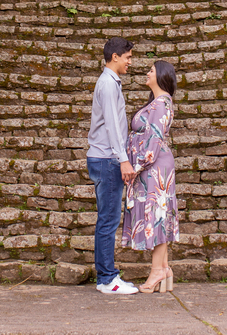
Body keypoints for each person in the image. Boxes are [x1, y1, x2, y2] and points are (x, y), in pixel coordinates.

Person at [86, 36, 138, 294]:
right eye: (127, 57)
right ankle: (107, 279)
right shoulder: (107, 84)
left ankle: (106, 276)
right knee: (108, 220)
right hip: (107, 158)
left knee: (107, 219)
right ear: (115, 57)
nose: (130, 62)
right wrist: (124, 159)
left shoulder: (111, 83)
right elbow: (113, 125)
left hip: (106, 156)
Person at [122, 59, 179, 293]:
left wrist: (138, 166)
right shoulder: (158, 102)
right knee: (160, 214)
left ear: (161, 75)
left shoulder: (161, 103)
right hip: (154, 166)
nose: (147, 73)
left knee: (157, 214)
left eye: (151, 71)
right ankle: (163, 267)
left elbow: (154, 138)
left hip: (154, 166)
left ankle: (157, 271)